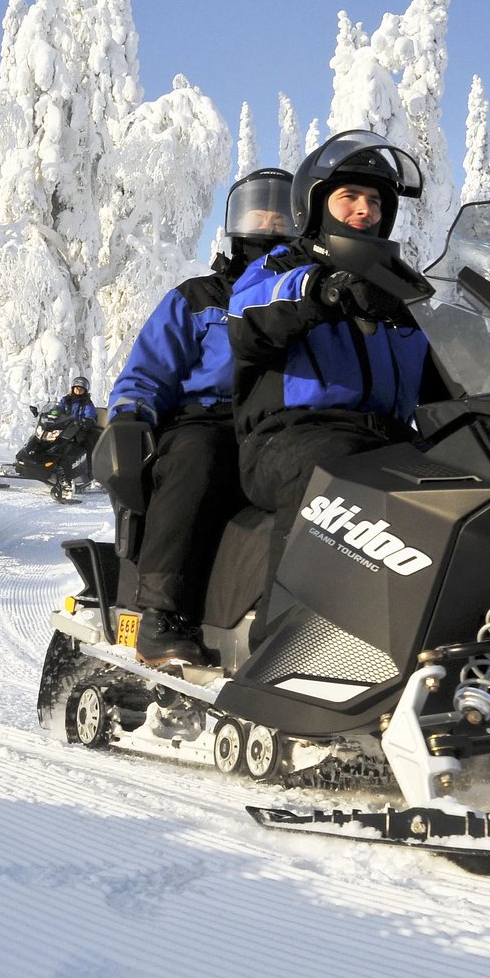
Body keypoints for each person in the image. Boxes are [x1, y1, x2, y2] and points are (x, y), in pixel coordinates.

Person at [227, 132, 432, 633]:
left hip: (385, 436)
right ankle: (282, 642)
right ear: (316, 204)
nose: (365, 210)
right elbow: (250, 315)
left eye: (376, 201)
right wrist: (326, 289)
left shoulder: (402, 288)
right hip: (290, 437)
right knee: (333, 472)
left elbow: (452, 360)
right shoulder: (281, 267)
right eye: (350, 197)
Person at [106, 167, 295, 665]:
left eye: (282, 211)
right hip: (206, 421)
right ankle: (161, 612)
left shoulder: (305, 304)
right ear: (237, 221)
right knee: (200, 458)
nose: (271, 220)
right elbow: (146, 370)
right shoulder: (199, 299)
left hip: (279, 429)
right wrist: (130, 415)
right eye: (260, 210)